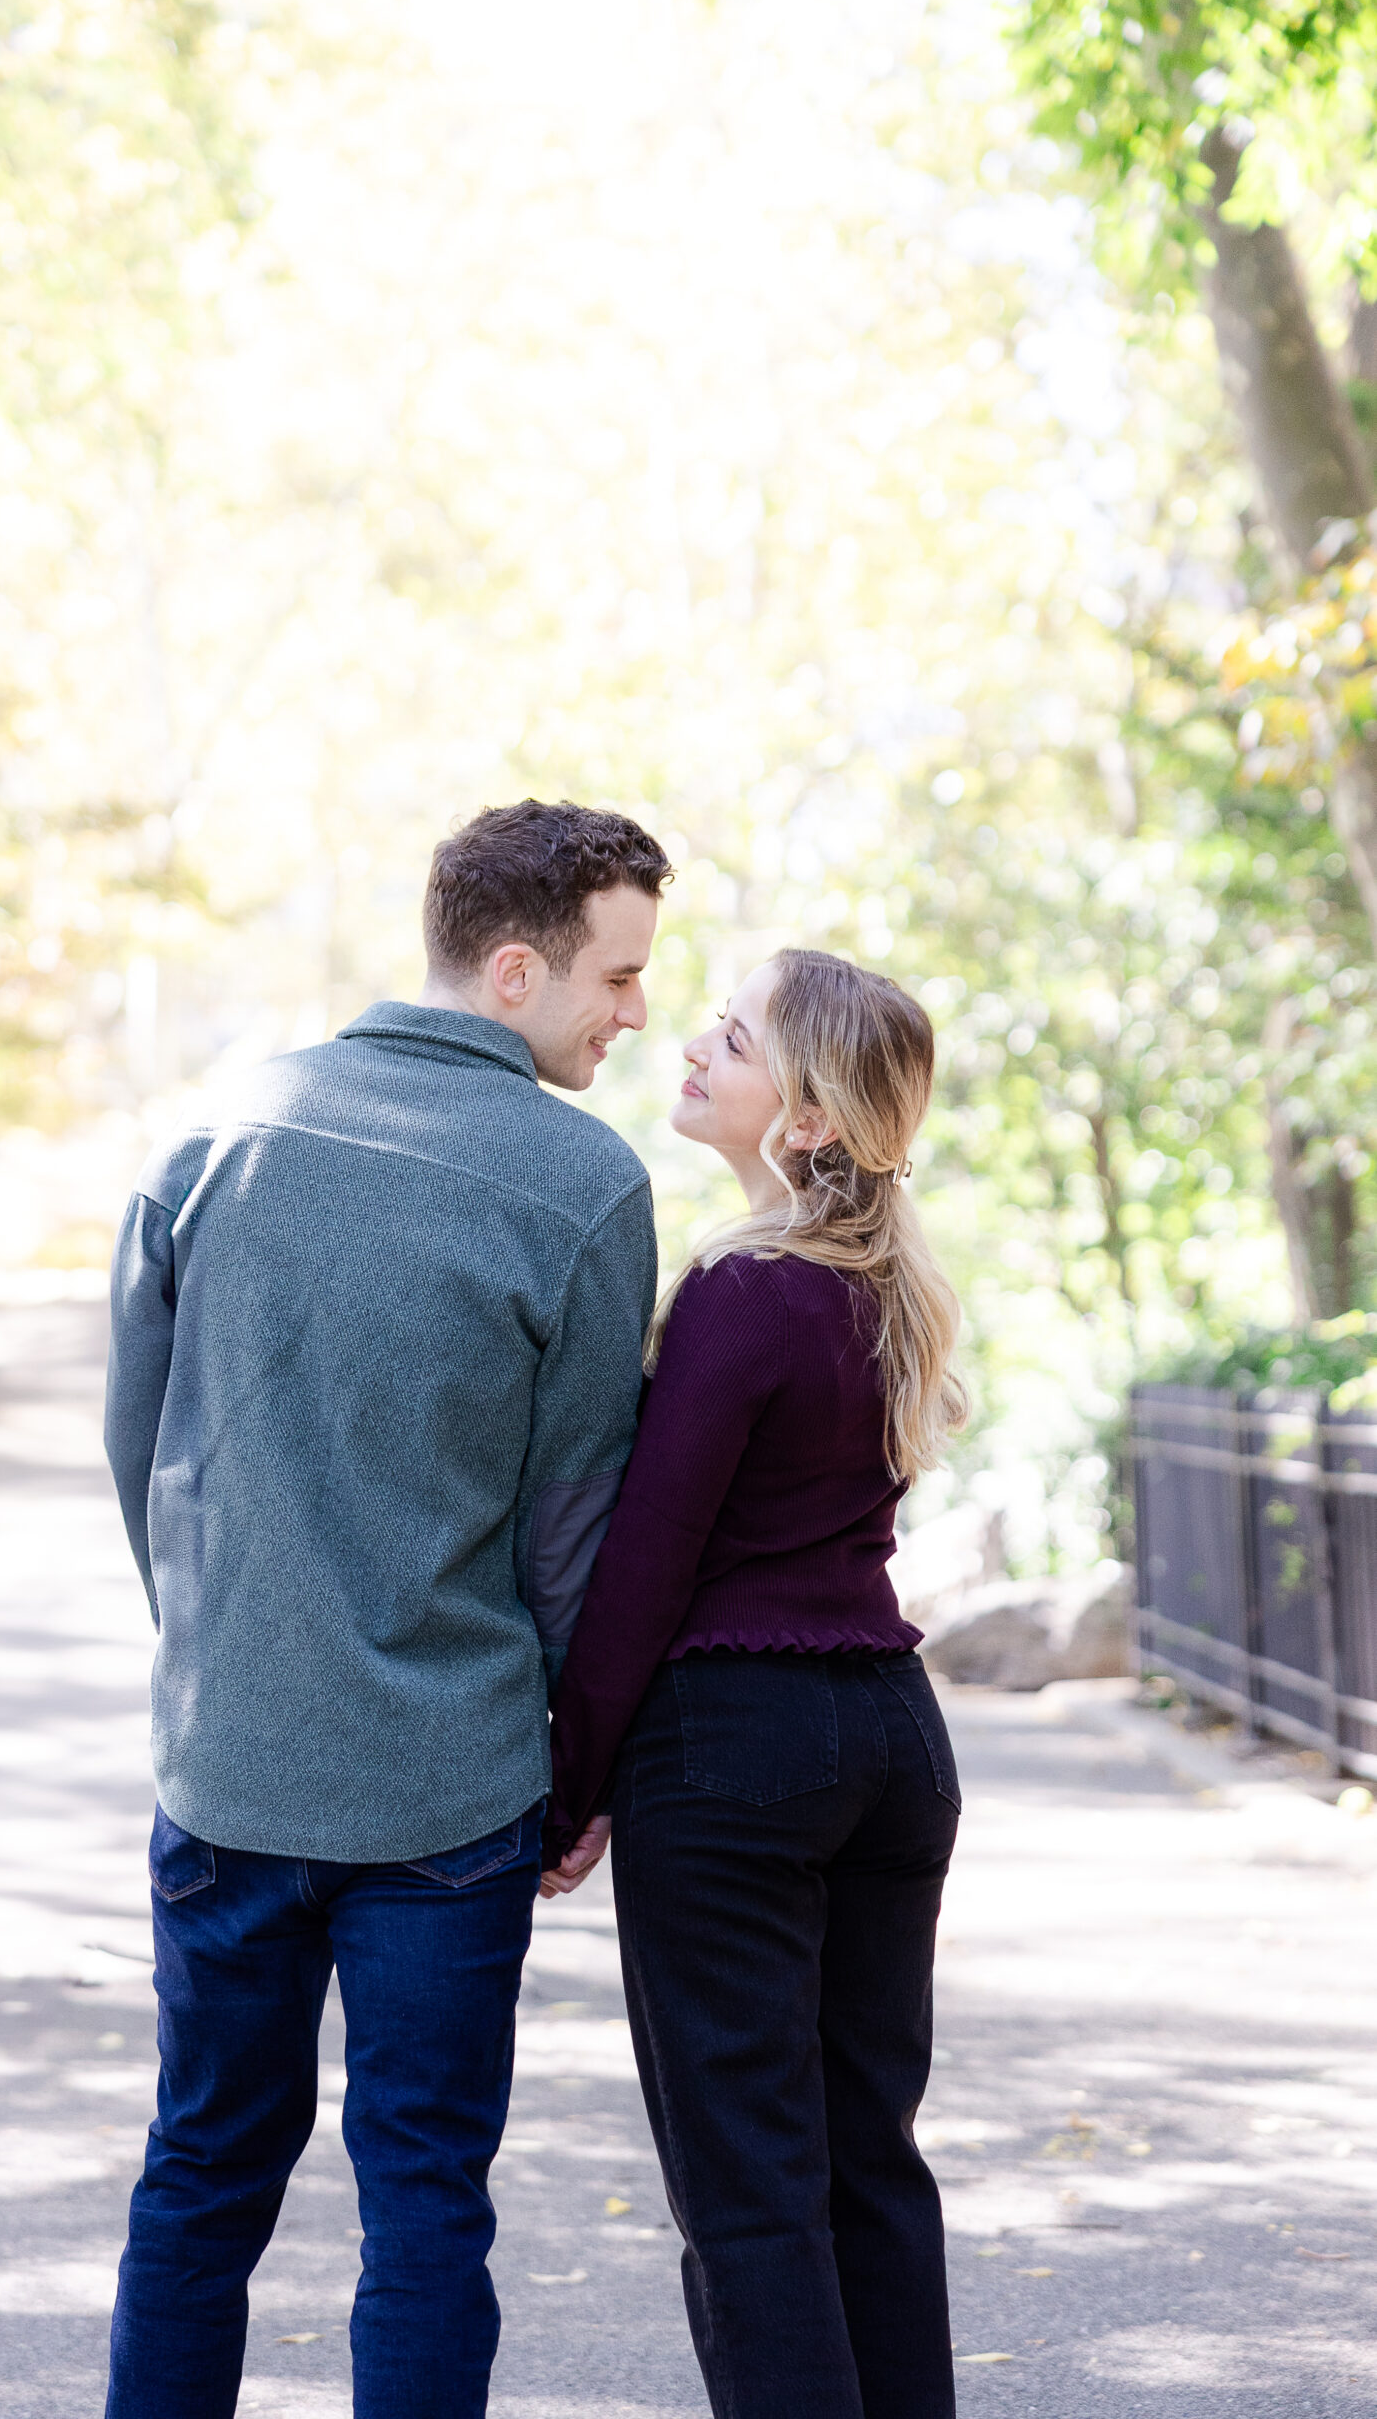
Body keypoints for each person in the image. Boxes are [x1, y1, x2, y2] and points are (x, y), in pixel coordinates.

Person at [101, 799, 671, 2419]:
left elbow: (136, 1445)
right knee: (426, 2202)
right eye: (616, 979)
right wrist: (581, 1771)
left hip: (229, 1766)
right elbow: (575, 1532)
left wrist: (225, 1637)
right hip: (451, 1794)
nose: (636, 1013)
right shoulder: (582, 1183)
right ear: (512, 970)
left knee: (200, 2173)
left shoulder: (222, 1128)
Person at [541, 946, 968, 2419]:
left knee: (750, 2194)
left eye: (736, 1038)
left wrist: (570, 1782)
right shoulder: (888, 1289)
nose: (696, 1048)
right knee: (869, 2168)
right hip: (892, 1749)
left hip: (734, 1753)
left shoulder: (741, 1289)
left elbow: (649, 1562)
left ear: (809, 1122)